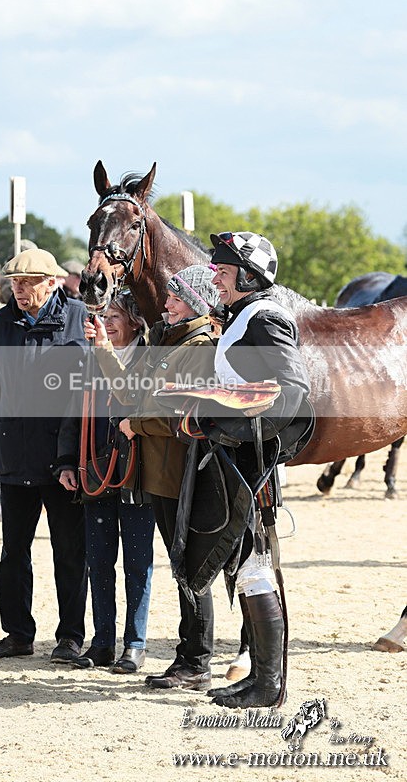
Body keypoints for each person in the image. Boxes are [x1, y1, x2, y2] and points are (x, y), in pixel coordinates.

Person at [84, 265, 220, 690]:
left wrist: (136, 427)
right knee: (182, 567)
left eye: (175, 298)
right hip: (157, 475)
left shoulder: (198, 348)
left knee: (190, 568)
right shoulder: (166, 342)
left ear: (195, 302)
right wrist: (105, 348)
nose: (166, 303)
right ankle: (190, 659)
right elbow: (128, 393)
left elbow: (183, 414)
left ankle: (196, 660)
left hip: (179, 475)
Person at [192, 231, 311, 709]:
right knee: (245, 569)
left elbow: (291, 391)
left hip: (251, 462)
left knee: (255, 569)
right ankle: (260, 678)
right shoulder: (242, 316)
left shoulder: (263, 318)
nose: (215, 278)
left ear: (247, 275)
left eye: (222, 271)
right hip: (238, 457)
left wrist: (224, 422)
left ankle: (268, 685)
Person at [0, 247, 89, 661]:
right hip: (13, 452)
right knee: (13, 551)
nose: (19, 290)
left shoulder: (79, 317)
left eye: (27, 283)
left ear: (51, 282)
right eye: (15, 283)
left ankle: (71, 637)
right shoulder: (2, 321)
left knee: (69, 552)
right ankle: (18, 634)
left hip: (63, 458)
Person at [56, 294, 155, 673]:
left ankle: (135, 643)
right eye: (105, 316)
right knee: (98, 560)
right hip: (95, 470)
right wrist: (66, 462)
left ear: (135, 322)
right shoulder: (91, 360)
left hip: (138, 473)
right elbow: (72, 410)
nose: (108, 323)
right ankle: (102, 643)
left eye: (116, 317)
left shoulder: (150, 360)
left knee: (137, 561)